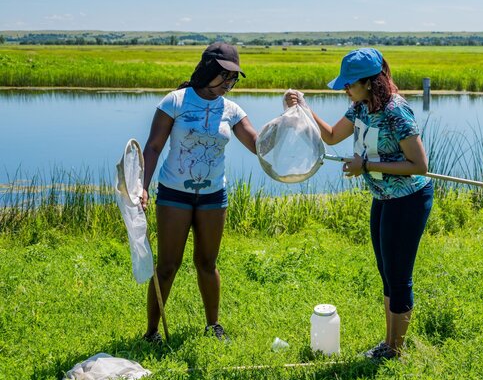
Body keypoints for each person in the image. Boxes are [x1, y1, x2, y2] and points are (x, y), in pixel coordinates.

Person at [285, 48, 433, 360]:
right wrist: (304, 108)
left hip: (408, 199)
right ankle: (389, 344)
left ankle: (395, 350)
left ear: (369, 81)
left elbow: (419, 165)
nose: (345, 89)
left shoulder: (396, 112)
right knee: (386, 271)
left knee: (399, 275)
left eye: (349, 84)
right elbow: (331, 136)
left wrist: (364, 166)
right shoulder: (361, 107)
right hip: (383, 197)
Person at [140, 42, 258, 343]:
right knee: (167, 266)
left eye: (233, 78)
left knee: (207, 264)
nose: (229, 83)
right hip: (174, 194)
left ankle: (213, 326)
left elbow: (258, 145)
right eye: (224, 76)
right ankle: (152, 332)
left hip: (213, 197)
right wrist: (142, 186)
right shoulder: (176, 101)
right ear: (208, 70)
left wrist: (292, 120)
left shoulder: (231, 110)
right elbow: (153, 147)